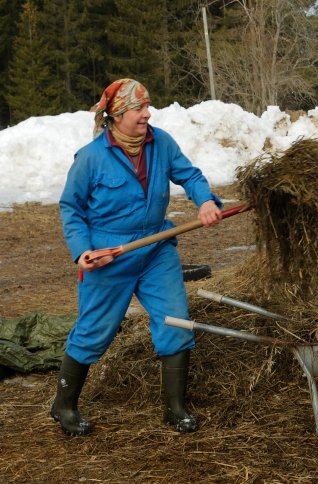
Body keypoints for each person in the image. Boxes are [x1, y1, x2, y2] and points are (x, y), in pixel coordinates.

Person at [52, 79, 222, 436]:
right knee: (95, 331)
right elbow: (71, 208)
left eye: (148, 107)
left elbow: (188, 175)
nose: (147, 114)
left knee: (175, 320)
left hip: (156, 248)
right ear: (116, 114)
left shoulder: (161, 142)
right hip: (108, 255)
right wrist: (82, 251)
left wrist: (205, 200)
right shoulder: (92, 157)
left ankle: (175, 408)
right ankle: (64, 406)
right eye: (139, 108)